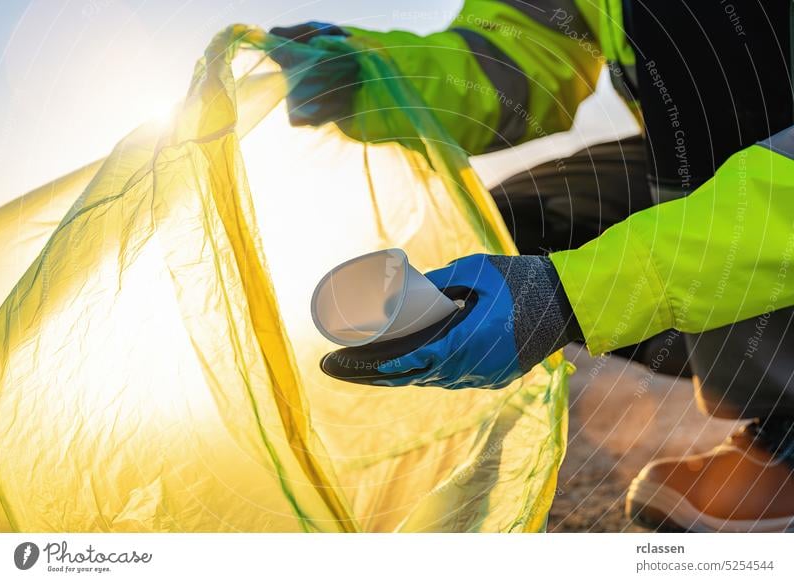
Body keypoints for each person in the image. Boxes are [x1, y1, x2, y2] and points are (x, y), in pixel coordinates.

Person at [269, 0, 794, 532]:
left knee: (711, 29)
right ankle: (777, 411)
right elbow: (515, 55)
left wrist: (577, 292)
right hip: (727, 176)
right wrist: (372, 74)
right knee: (515, 224)